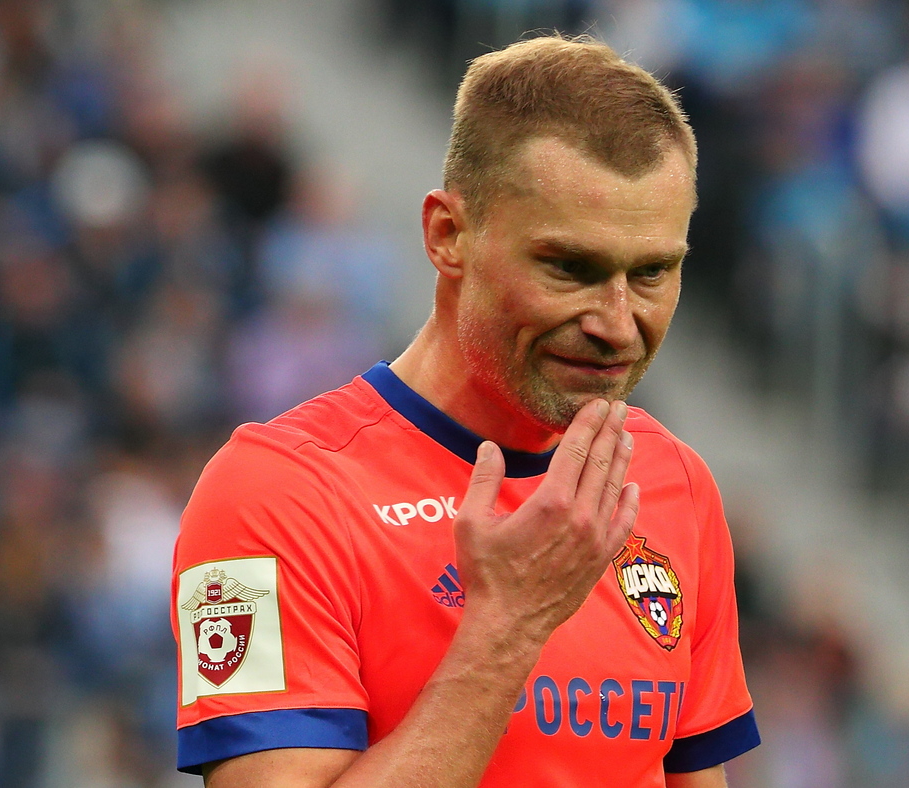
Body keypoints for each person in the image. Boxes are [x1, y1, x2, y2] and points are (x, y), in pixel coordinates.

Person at [171, 35, 760, 787]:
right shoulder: (274, 496)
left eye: (651, 272)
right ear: (448, 236)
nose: (617, 323)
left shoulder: (674, 483)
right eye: (569, 267)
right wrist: (507, 628)